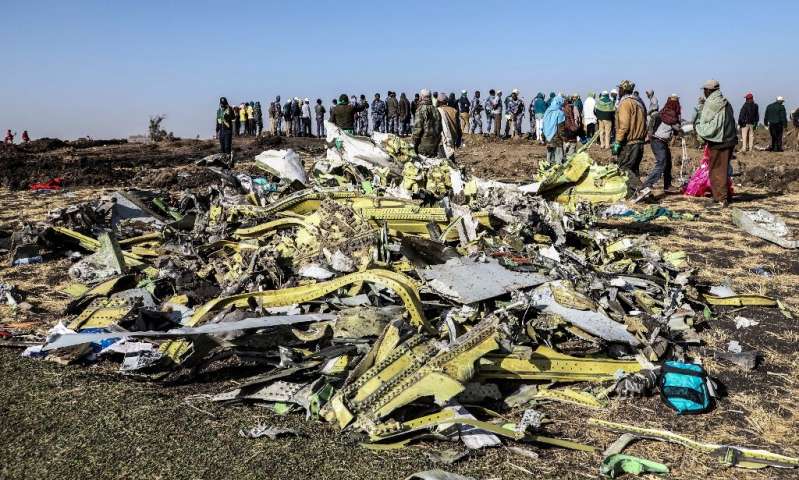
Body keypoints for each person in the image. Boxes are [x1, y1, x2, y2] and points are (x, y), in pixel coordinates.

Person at [696, 79, 737, 208]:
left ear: (709, 90)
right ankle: (724, 196)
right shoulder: (725, 102)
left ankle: (720, 199)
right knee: (723, 169)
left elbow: (705, 121)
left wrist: (700, 130)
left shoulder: (711, 102)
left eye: (705, 90)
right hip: (730, 139)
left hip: (719, 140)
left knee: (716, 170)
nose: (704, 92)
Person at [642, 95, 682, 192]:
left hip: (659, 141)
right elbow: (676, 128)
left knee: (667, 163)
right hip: (658, 141)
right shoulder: (672, 114)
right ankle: (647, 184)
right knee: (662, 163)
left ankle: (667, 186)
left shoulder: (663, 112)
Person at [612, 80, 647, 185]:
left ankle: (641, 191)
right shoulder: (639, 102)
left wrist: (617, 142)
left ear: (623, 89)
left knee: (625, 169)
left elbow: (624, 126)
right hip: (639, 142)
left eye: (620, 89)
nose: (619, 91)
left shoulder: (625, 103)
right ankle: (635, 194)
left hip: (630, 143)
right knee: (634, 169)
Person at [412, 89, 442, 157]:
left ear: (422, 97)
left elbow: (417, 130)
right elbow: (440, 128)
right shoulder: (436, 109)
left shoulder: (420, 110)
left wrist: (414, 145)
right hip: (435, 144)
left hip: (423, 145)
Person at [437, 92, 462, 159]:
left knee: (443, 160)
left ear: (438, 102)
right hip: (452, 138)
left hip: (442, 140)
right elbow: (459, 127)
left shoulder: (437, 111)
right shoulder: (454, 111)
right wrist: (459, 139)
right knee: (450, 156)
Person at [543, 95, 566, 165]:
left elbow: (544, 125)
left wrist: (543, 137)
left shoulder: (547, 111)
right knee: (558, 159)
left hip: (548, 137)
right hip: (556, 138)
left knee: (549, 157)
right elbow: (560, 128)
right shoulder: (560, 113)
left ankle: (548, 170)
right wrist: (564, 139)